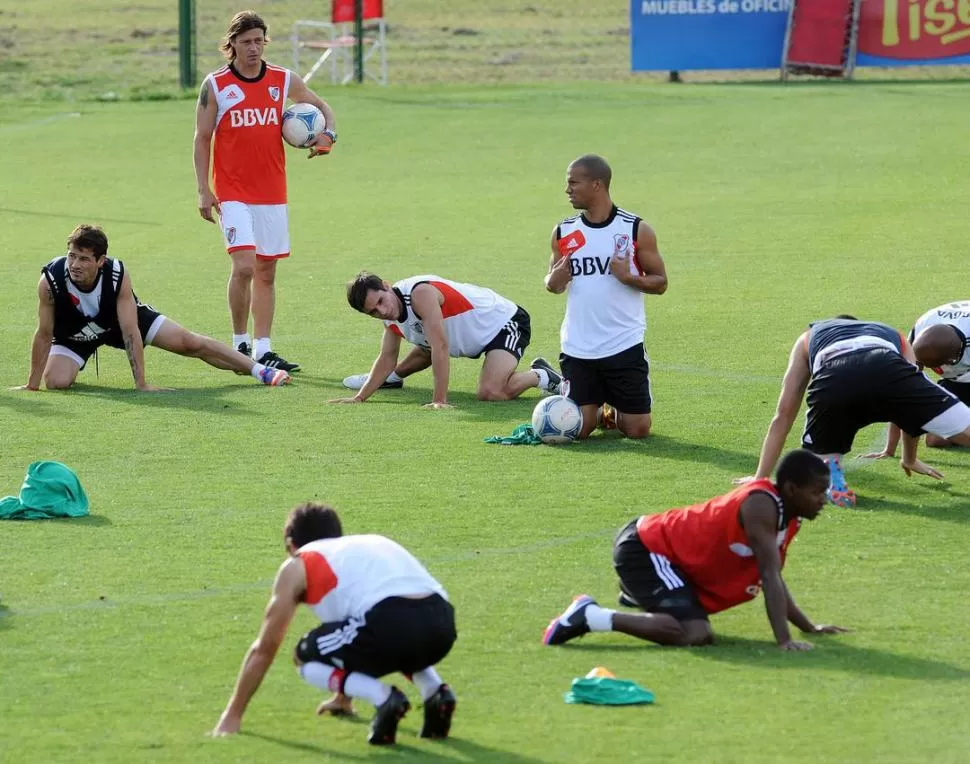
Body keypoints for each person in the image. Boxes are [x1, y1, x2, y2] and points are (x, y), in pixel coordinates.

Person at [543, 449, 847, 651]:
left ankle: (644, 598)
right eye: (818, 491)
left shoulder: (787, 517)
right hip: (646, 548)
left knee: (693, 630)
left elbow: (773, 577)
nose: (824, 499)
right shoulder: (761, 506)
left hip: (667, 557)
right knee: (695, 633)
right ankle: (590, 616)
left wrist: (810, 627)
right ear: (792, 490)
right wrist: (784, 641)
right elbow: (768, 575)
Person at [211, 502, 457, 746]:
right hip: (442, 623)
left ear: (290, 545)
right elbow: (351, 636)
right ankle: (435, 693)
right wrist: (343, 698)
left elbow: (264, 649)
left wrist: (232, 715)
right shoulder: (366, 544)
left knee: (304, 656)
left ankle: (383, 698)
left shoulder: (299, 562)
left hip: (389, 624)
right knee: (391, 637)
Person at [194, 10, 338, 373]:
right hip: (232, 191)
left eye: (259, 40)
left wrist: (328, 135)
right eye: (246, 42)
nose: (254, 48)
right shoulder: (215, 84)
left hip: (272, 191)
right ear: (232, 45)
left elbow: (323, 108)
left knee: (267, 272)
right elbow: (202, 138)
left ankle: (263, 348)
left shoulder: (283, 80)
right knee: (244, 266)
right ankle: (239, 345)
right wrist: (203, 189)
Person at [12, 226, 291, 392]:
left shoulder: (116, 275)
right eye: (72, 256)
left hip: (119, 321)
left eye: (84, 259)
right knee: (57, 382)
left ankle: (258, 370)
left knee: (189, 343)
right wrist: (32, 385)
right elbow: (44, 332)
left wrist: (141, 384)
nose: (75, 264)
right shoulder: (51, 280)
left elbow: (131, 331)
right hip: (75, 334)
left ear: (100, 261)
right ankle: (243, 365)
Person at [741, 316, 970, 508]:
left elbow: (784, 414)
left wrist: (760, 478)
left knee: (824, 449)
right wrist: (908, 458)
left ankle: (830, 471)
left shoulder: (807, 338)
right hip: (886, 364)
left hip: (836, 380)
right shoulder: (895, 334)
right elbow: (911, 405)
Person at [544, 154, 668, 440]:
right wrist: (554, 282)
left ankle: (613, 410)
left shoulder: (635, 229)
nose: (567, 190)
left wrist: (628, 278)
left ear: (596, 184)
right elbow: (551, 281)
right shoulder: (564, 231)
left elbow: (661, 282)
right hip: (578, 347)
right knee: (580, 429)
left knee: (637, 430)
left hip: (623, 344)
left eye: (573, 183)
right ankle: (597, 411)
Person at [332, 272, 561, 408]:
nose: (382, 312)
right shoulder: (389, 314)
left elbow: (440, 346)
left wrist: (439, 400)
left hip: (503, 324)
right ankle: (391, 379)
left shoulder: (419, 294)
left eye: (381, 301)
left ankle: (540, 376)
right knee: (424, 342)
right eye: (373, 312)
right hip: (460, 337)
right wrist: (360, 398)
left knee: (490, 392)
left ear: (385, 285)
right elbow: (387, 356)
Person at [865, 302, 970, 453]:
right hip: (957, 380)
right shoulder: (922, 328)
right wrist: (890, 449)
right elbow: (905, 390)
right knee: (936, 440)